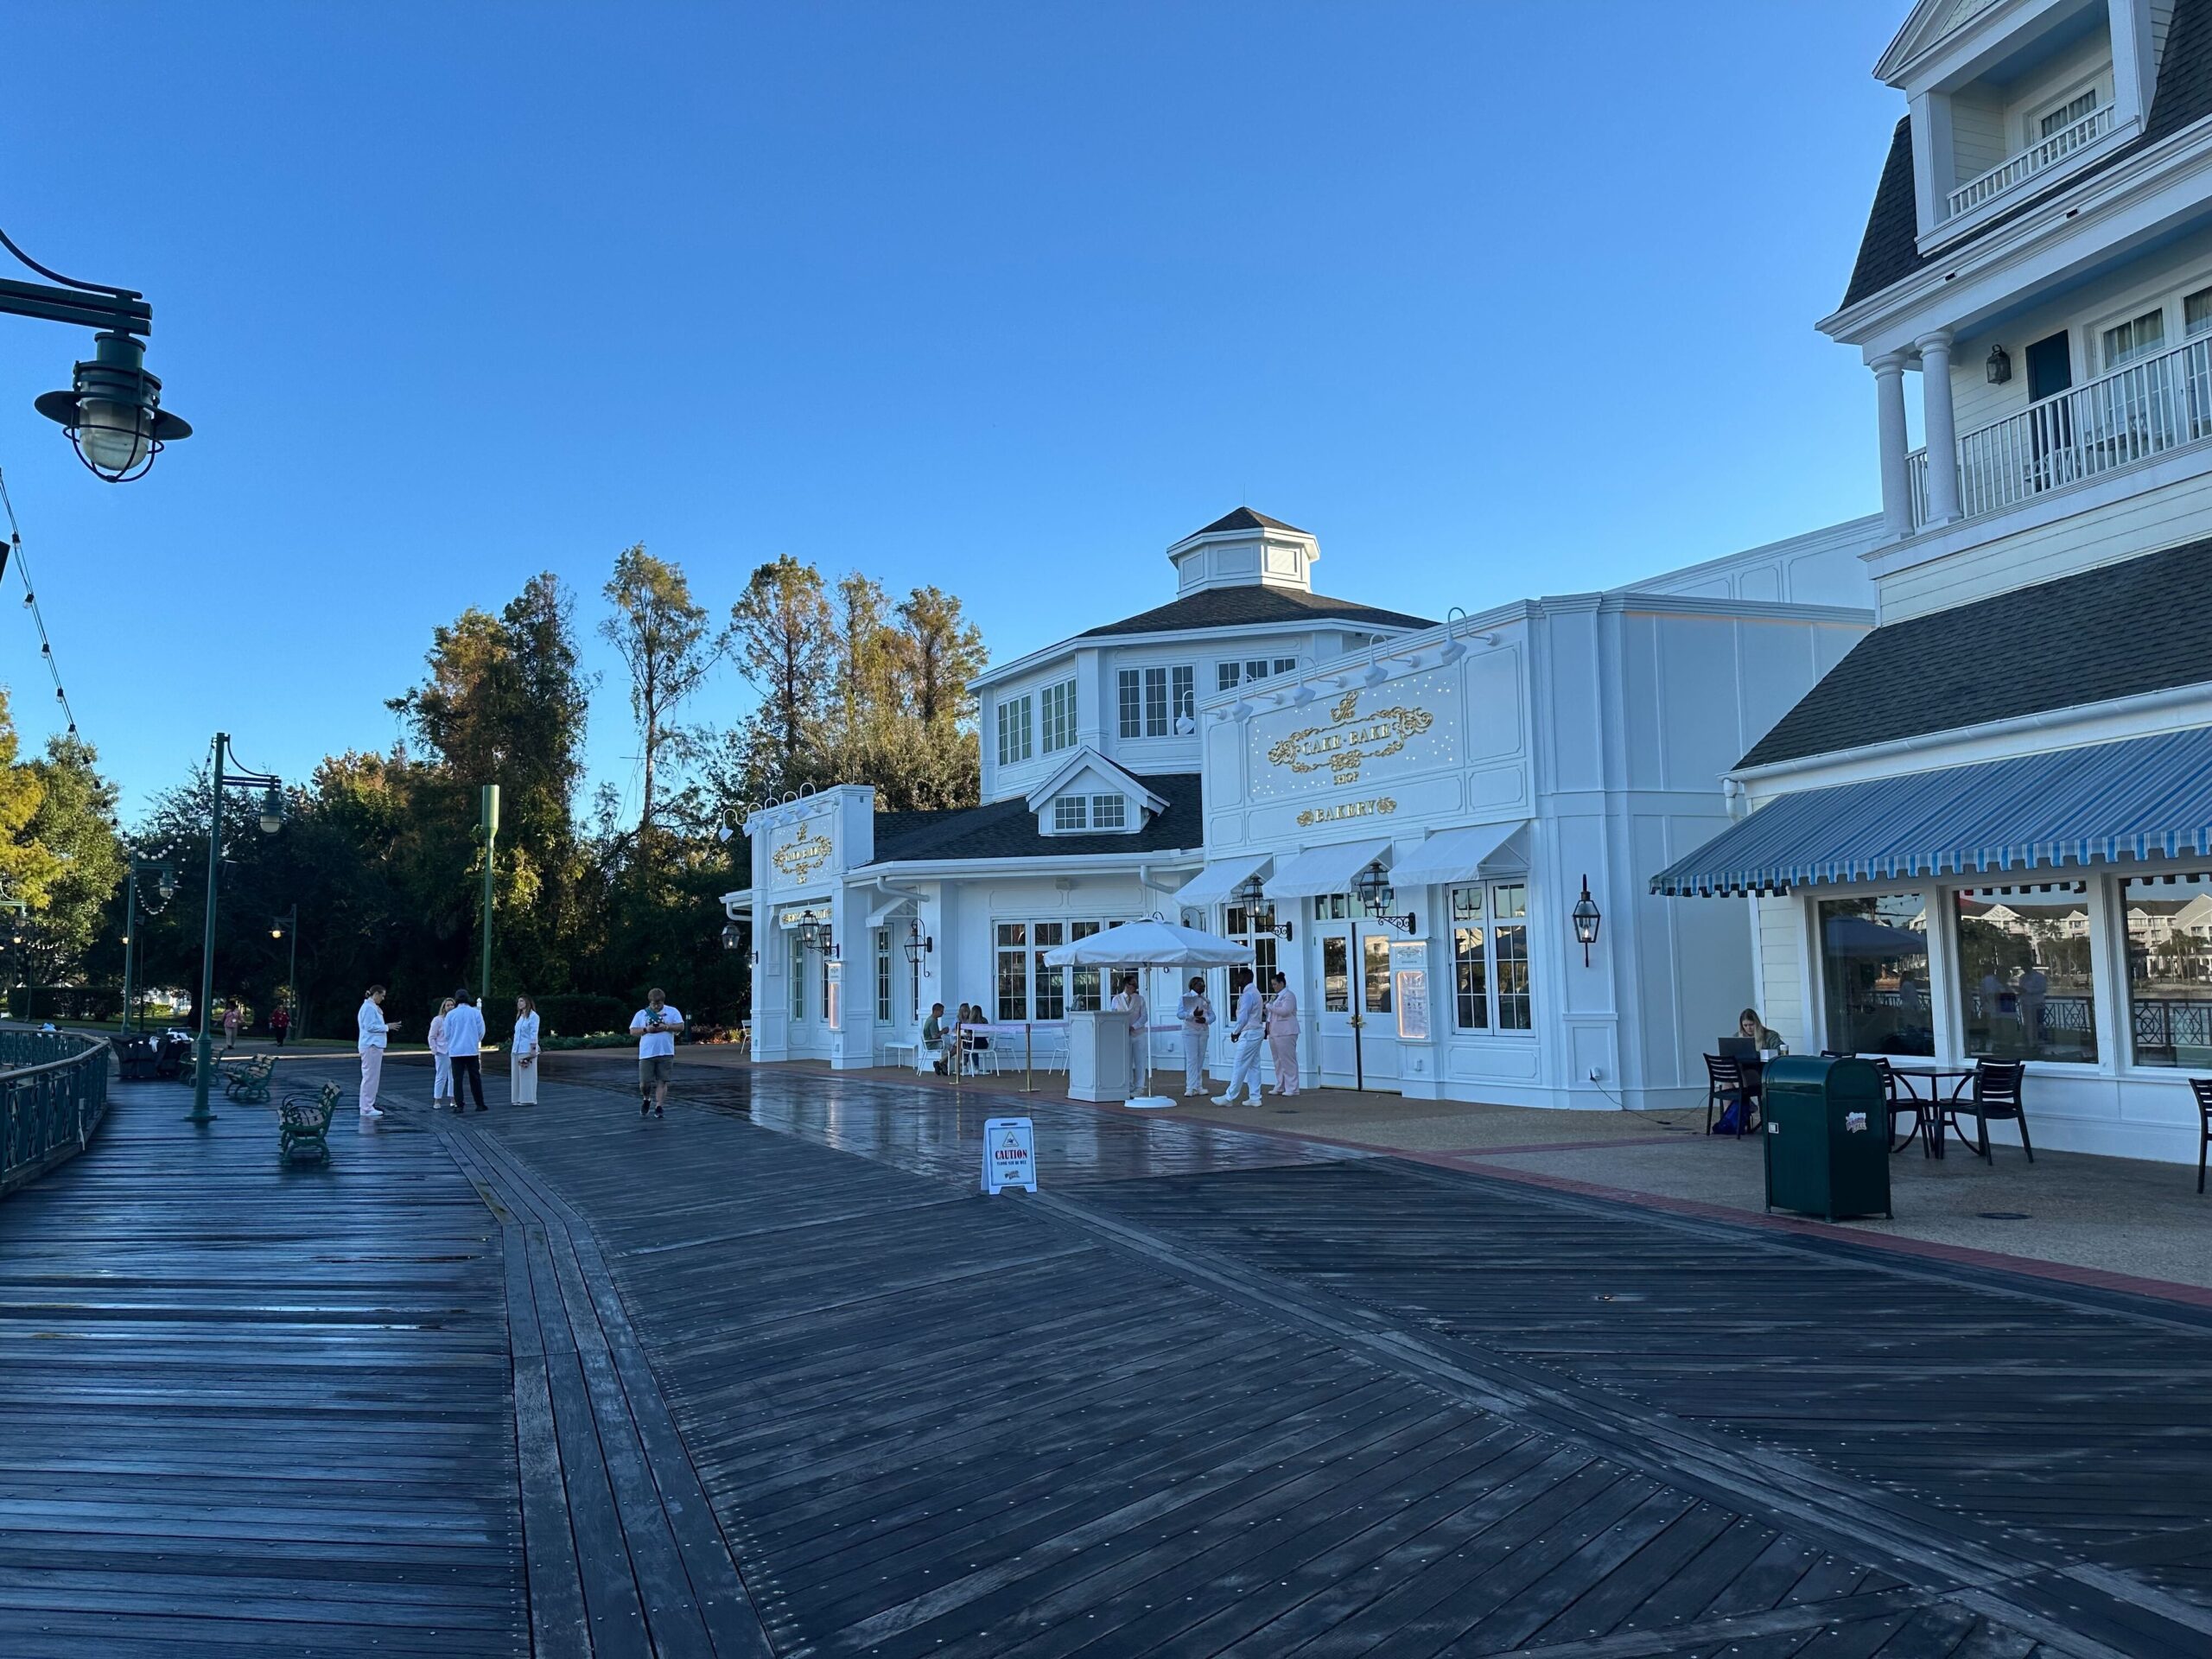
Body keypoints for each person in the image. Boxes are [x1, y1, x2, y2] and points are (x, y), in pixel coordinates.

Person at [1212, 969, 1267, 1106]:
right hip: (1256, 1031)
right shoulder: (1255, 992)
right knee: (1254, 1065)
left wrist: (1236, 1031)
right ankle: (1255, 1097)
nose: (1236, 980)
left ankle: (1229, 1097)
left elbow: (1243, 1016)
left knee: (1239, 1064)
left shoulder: (1248, 994)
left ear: (1246, 978)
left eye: (1239, 978)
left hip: (1250, 1032)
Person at [630, 988, 684, 1117]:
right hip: (646, 1053)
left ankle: (659, 1106)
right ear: (649, 1002)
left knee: (662, 1080)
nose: (655, 1006)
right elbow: (632, 1031)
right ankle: (646, 1098)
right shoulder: (641, 1014)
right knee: (644, 1083)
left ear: (663, 1002)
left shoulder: (672, 1011)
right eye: (653, 1003)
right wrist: (646, 1029)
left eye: (658, 1004)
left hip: (666, 1052)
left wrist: (666, 1027)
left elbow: (681, 1026)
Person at [356, 986, 398, 1119]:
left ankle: (368, 1106)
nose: (383, 998)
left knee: (372, 1077)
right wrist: (387, 1027)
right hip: (371, 1045)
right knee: (370, 1077)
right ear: (375, 994)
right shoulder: (368, 1008)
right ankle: (366, 1107)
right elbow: (369, 1027)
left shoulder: (370, 1007)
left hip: (373, 1045)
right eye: (382, 995)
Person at [443, 988, 487, 1114]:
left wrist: (453, 1041)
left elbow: (447, 1033)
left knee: (457, 1079)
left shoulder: (451, 1014)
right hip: (471, 1049)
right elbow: (481, 1031)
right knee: (475, 1078)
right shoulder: (475, 1012)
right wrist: (475, 1040)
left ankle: (459, 1105)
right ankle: (480, 1104)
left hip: (456, 1051)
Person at [1265, 971, 1300, 1096]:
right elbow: (1270, 1014)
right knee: (1278, 1060)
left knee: (1288, 1060)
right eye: (1272, 984)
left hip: (1286, 1031)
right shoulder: (1275, 997)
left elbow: (1285, 1011)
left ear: (1282, 983)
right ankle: (1280, 1085)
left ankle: (1292, 1087)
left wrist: (1269, 1007)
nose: (1273, 986)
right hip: (1275, 1032)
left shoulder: (1289, 995)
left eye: (1275, 984)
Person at [1177, 975, 1212, 1097]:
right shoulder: (1185, 998)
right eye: (1200, 984)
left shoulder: (1205, 1000)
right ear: (1194, 985)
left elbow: (1213, 1016)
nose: (1203, 986)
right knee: (1192, 1059)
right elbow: (1180, 1014)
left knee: (1200, 1059)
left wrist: (1206, 1019)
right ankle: (1190, 1087)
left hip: (1203, 1031)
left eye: (1204, 984)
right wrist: (1192, 1014)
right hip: (1190, 1031)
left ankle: (1198, 1086)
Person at [1112, 973, 1149, 1092]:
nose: (1134, 987)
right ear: (1126, 985)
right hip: (1123, 1035)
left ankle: (1140, 1086)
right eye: (1132, 984)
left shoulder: (1140, 999)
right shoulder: (1116, 999)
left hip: (1139, 1033)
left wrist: (1134, 1026)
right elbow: (1113, 1016)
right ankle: (1128, 1085)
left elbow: (1144, 1016)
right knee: (1126, 1061)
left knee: (1140, 1061)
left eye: (1135, 985)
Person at [511, 995, 541, 1106]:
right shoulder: (520, 1017)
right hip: (516, 1049)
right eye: (518, 1001)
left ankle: (528, 1099)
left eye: (522, 1001)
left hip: (526, 1049)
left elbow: (534, 1033)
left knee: (527, 1076)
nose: (519, 1003)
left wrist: (533, 1050)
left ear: (527, 1002)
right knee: (516, 1076)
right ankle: (518, 1098)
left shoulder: (533, 1016)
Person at [428, 996, 456, 1111]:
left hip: (454, 1051)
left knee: (453, 1077)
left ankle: (453, 1099)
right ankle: (437, 1100)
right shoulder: (438, 1020)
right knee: (441, 1076)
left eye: (452, 1005)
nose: (450, 1007)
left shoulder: (456, 1020)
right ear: (444, 1007)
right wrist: (434, 1050)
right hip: (442, 1051)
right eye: (448, 1005)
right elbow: (432, 1036)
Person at [922, 1002, 948, 1074]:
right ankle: (941, 1064)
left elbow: (934, 1033)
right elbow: (934, 1036)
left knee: (947, 1047)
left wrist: (941, 1032)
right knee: (950, 1048)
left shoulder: (930, 1019)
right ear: (936, 1011)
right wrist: (943, 1031)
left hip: (929, 1043)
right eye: (941, 1011)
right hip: (931, 1044)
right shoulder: (933, 1021)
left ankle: (942, 1065)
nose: (943, 1013)